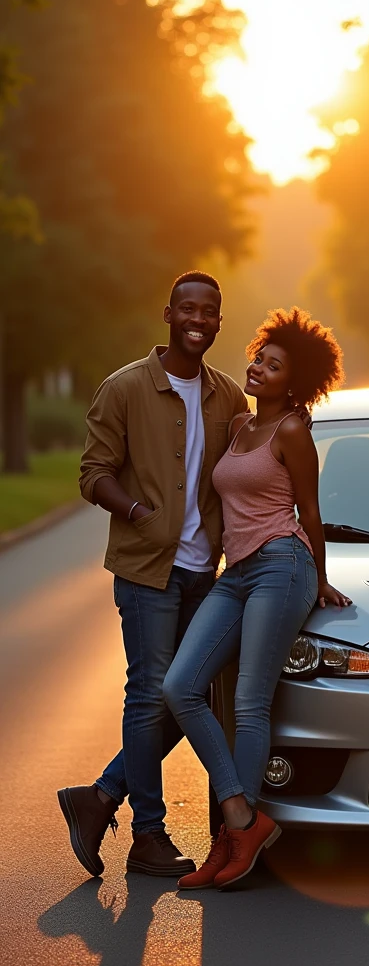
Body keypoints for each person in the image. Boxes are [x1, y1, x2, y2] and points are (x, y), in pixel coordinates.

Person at [58, 271, 249, 879]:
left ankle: (100, 796)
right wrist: (137, 509)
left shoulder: (228, 398)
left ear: (220, 320)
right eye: (188, 308)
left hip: (205, 573)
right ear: (168, 313)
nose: (199, 319)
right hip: (147, 572)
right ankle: (147, 835)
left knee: (183, 695)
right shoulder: (124, 389)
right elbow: (93, 473)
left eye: (210, 310)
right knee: (148, 696)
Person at [162, 306, 351, 890]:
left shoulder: (293, 430)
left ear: (293, 382)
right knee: (181, 687)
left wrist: (318, 576)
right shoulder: (241, 425)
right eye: (259, 359)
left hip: (282, 565)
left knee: (248, 701)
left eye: (274, 366)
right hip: (236, 570)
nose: (259, 369)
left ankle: (231, 842)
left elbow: (311, 511)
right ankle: (244, 817)